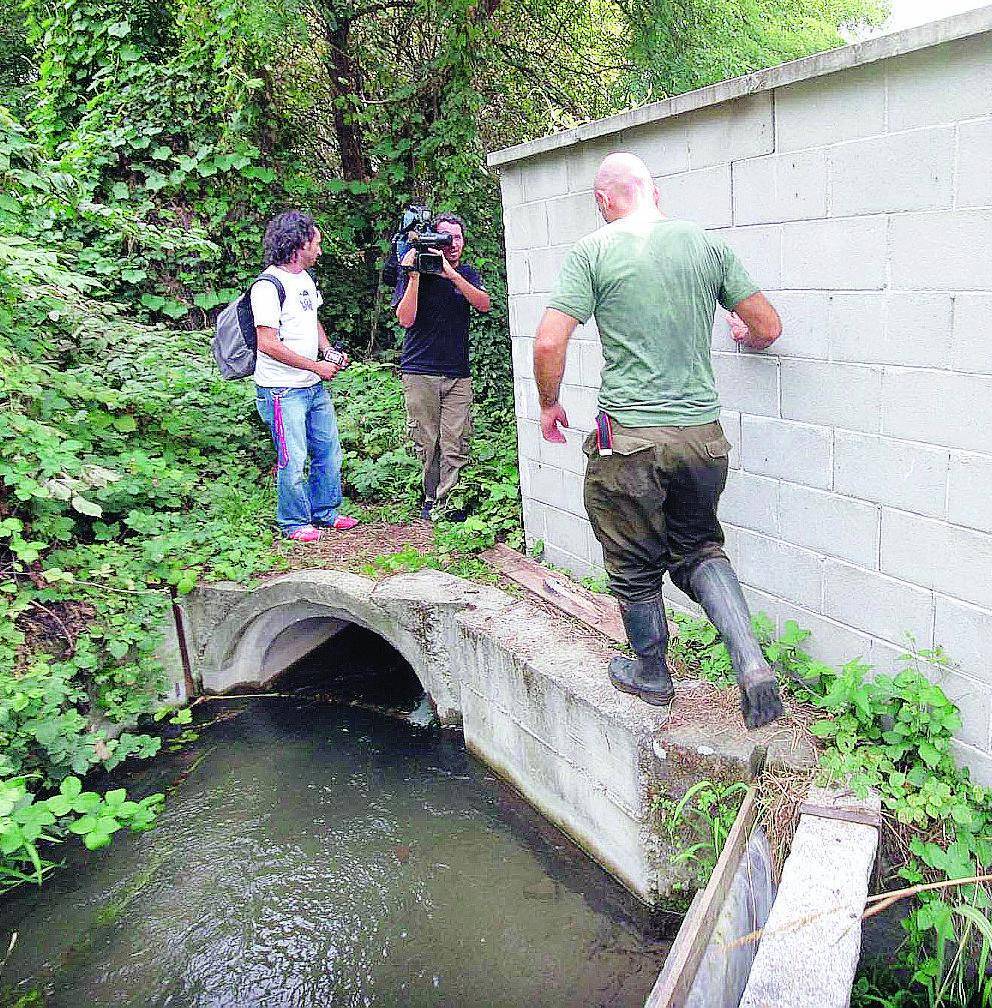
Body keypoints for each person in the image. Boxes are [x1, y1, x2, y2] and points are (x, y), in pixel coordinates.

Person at [532, 153, 785, 730]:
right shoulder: (707, 246)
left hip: (630, 445)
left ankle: (652, 675)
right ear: (655, 191)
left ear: (604, 202)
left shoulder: (593, 250)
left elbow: (549, 343)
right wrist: (742, 335)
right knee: (699, 550)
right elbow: (767, 327)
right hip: (702, 439)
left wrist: (550, 403)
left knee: (635, 566)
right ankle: (749, 661)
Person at [252, 210, 359, 543]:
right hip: (282, 391)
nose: (320, 251)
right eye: (317, 244)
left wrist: (327, 352)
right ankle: (294, 521)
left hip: (311, 388)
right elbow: (266, 343)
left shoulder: (305, 280)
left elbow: (312, 321)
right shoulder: (267, 286)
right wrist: (315, 366)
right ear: (299, 244)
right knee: (293, 458)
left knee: (329, 451)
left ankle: (325, 512)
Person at [393, 213, 491, 521]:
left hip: (457, 371)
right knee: (428, 439)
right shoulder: (415, 273)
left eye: (458, 238)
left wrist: (452, 275)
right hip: (420, 369)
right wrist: (415, 276)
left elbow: (483, 304)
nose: (452, 244)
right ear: (432, 241)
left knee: (456, 438)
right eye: (445, 238)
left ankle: (449, 502)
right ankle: (431, 496)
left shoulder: (468, 274)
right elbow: (405, 319)